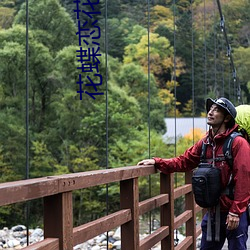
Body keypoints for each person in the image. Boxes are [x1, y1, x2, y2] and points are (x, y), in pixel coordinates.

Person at [137, 97, 250, 250]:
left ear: (227, 118)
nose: (210, 112)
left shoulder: (238, 143)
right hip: (213, 211)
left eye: (216, 110)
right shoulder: (205, 143)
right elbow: (184, 161)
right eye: (210, 109)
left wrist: (236, 212)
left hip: (233, 211)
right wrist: (157, 162)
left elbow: (244, 178)